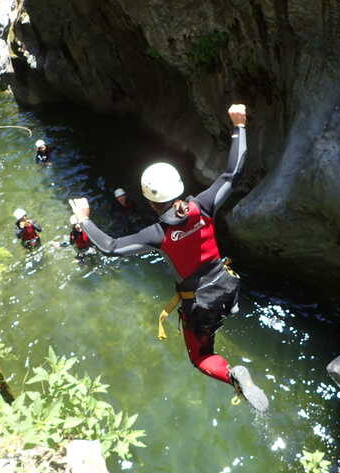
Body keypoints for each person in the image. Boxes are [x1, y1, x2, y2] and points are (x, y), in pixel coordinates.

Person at [69, 104, 268, 411]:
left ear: (149, 201)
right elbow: (233, 172)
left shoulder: (157, 234)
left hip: (199, 303)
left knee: (201, 357)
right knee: (217, 317)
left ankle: (232, 375)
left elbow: (109, 246)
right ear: (179, 187)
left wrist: (84, 220)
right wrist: (239, 125)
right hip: (228, 288)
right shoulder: (203, 205)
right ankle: (228, 336)